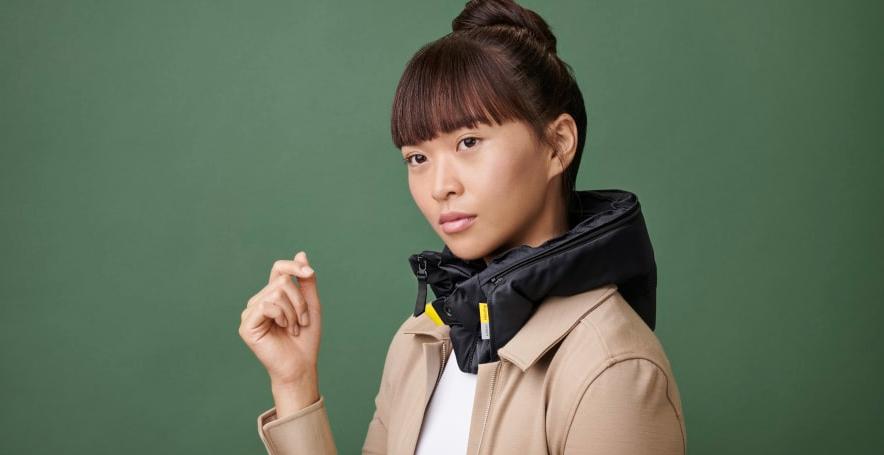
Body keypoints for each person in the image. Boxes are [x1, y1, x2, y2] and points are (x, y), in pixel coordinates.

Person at [238, 0, 686, 453]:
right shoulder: (420, 341)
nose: (439, 187)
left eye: (469, 142)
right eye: (417, 158)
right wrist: (295, 384)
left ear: (557, 144)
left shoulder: (611, 367)